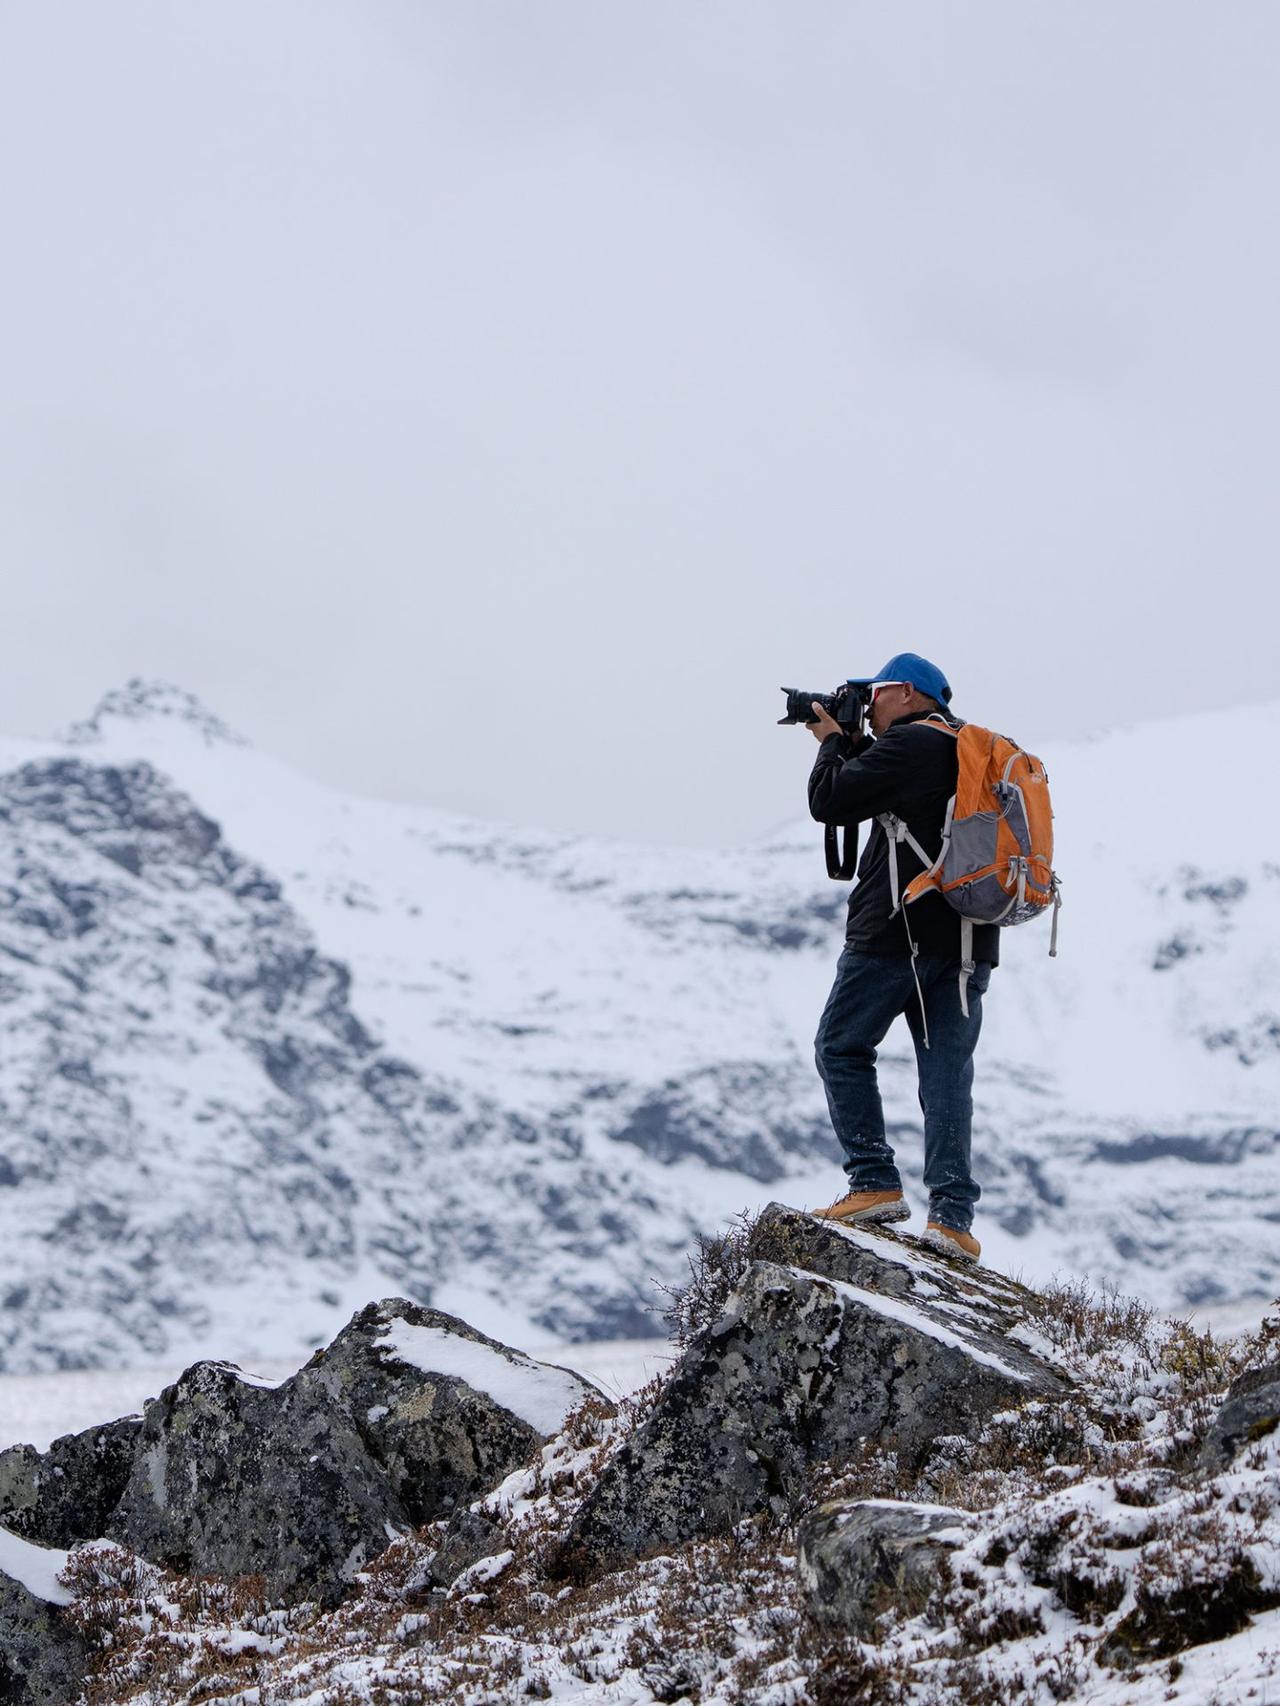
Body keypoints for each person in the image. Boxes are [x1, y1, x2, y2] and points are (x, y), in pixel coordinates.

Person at [805, 652, 995, 1262]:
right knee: (946, 1074)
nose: (870, 700)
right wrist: (857, 739)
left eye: (878, 690)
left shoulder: (911, 743)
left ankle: (873, 1182)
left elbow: (830, 802)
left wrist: (832, 742)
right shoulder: (969, 750)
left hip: (895, 933)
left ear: (909, 693)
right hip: (968, 940)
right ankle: (953, 1220)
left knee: (841, 1046)